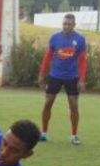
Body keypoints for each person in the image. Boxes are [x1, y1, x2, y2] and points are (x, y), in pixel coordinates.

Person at [37, 13, 87, 145]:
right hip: (55, 76)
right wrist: (41, 74)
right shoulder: (55, 38)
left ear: (74, 25)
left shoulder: (80, 39)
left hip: (72, 77)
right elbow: (48, 57)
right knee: (48, 103)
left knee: (74, 105)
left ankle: (74, 135)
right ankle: (44, 133)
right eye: (64, 24)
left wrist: (82, 79)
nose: (66, 26)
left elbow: (82, 60)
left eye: (69, 24)